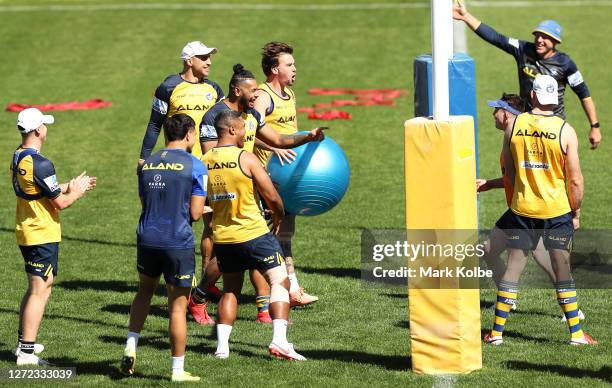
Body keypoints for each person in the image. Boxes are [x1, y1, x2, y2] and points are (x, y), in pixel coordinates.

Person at [188, 64, 324, 324]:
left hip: (250, 189)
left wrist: (308, 137)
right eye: (252, 91)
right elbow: (211, 157)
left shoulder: (250, 114)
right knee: (228, 252)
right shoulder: (215, 115)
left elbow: (278, 140)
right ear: (237, 90)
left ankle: (263, 310)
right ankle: (201, 295)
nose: (257, 95)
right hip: (223, 192)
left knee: (253, 250)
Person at [485, 75, 596, 346]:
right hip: (557, 213)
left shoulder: (515, 125)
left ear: (533, 96)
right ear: (553, 99)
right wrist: (576, 212)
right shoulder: (565, 131)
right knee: (562, 272)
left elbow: (510, 173)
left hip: (523, 211)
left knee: (512, 271)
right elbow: (576, 180)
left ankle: (496, 333)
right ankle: (576, 334)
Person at [203, 109, 306, 360]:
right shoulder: (246, 158)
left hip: (225, 238)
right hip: (255, 233)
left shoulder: (203, 161)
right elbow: (271, 195)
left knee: (230, 290)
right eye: (241, 127)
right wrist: (279, 214)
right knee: (279, 281)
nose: (245, 132)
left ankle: (222, 348)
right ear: (231, 130)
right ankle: (280, 341)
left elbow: (198, 200)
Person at [121, 114, 207, 382]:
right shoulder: (195, 165)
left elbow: (144, 201)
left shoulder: (147, 164)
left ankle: (131, 344)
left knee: (143, 293)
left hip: (147, 237)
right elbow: (194, 214)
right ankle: (177, 371)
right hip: (176, 241)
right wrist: (207, 207)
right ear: (190, 135)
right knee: (177, 308)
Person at [453, 2, 602, 149]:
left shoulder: (566, 63)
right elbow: (496, 38)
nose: (539, 40)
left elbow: (584, 94)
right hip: (526, 123)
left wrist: (595, 126)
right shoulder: (523, 49)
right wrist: (466, 17)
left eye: (545, 37)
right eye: (537, 35)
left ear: (556, 41)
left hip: (553, 125)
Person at [11, 108, 96, 366]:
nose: (46, 129)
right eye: (44, 126)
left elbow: (40, 192)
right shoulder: (41, 163)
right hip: (41, 233)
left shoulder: (18, 156)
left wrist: (66, 186)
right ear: (38, 130)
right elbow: (60, 203)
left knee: (35, 288)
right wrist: (77, 191)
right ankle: (26, 353)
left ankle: (24, 341)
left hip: (27, 229)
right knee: (41, 290)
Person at [253, 41, 319, 307]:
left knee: (285, 231)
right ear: (273, 69)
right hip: (264, 177)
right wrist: (273, 148)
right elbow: (248, 131)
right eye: (289, 65)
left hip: (286, 179)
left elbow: (290, 134)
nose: (295, 69)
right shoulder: (263, 95)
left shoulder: (289, 95)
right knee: (265, 237)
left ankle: (290, 288)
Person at [138, 41, 224, 163]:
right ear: (189, 61)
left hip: (209, 161)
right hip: (177, 162)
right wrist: (144, 158)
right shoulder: (167, 88)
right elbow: (155, 125)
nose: (209, 62)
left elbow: (225, 124)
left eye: (209, 58)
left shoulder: (215, 89)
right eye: (204, 58)